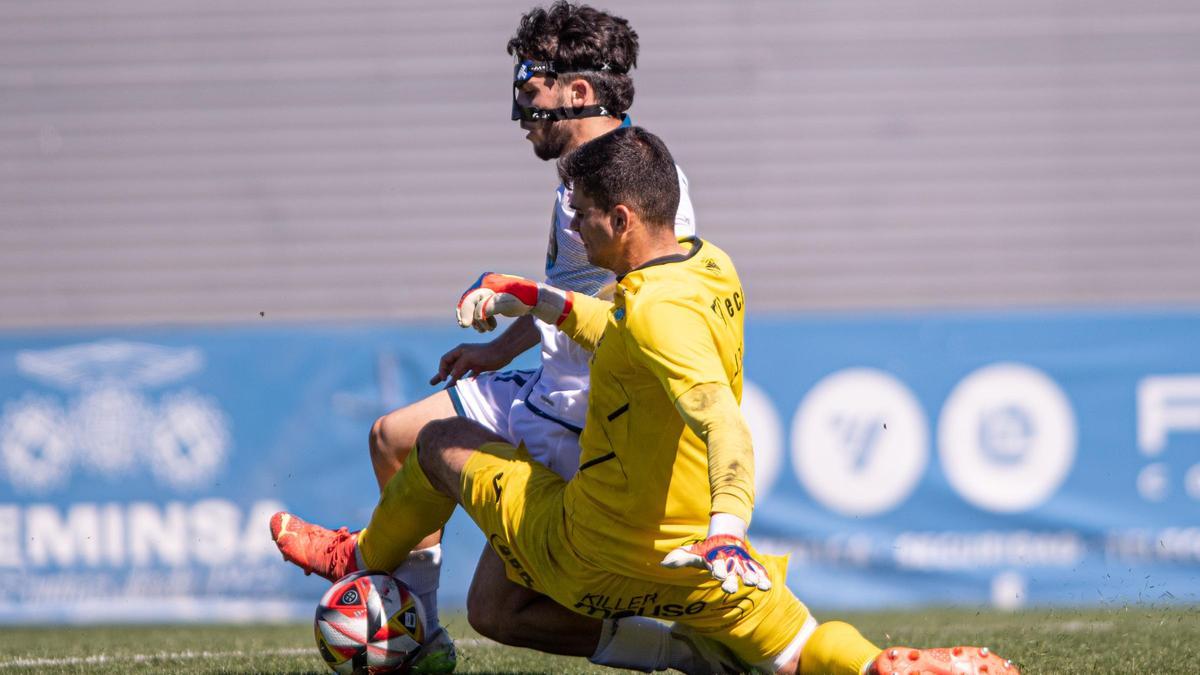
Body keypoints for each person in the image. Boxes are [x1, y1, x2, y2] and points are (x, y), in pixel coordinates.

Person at [272, 127, 1021, 675]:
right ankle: (879, 667)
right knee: (799, 651)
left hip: (589, 548)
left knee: (436, 443)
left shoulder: (656, 310)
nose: (577, 228)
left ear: (622, 219)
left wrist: (732, 522)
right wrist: (524, 295)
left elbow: (723, 420)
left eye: (585, 216)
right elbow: (617, 330)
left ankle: (362, 555)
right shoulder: (711, 269)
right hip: (698, 566)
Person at [280, 3, 722, 673]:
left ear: (578, 92)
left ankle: (683, 654)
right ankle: (419, 630)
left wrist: (520, 297)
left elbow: (650, 303)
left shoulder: (647, 182)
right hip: (546, 387)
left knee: (497, 612)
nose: (521, 113)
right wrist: (498, 348)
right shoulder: (580, 177)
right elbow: (572, 294)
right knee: (391, 437)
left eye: (530, 91)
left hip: (585, 422)